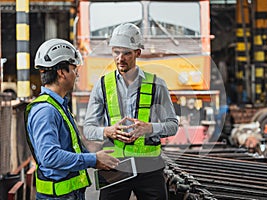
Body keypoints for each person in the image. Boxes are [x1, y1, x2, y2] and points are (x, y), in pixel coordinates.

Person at [83, 23, 179, 200]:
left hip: (150, 168)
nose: (120, 58)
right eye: (116, 52)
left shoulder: (157, 85)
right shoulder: (102, 85)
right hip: (114, 165)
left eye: (126, 53)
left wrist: (150, 128)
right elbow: (88, 128)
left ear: (138, 53)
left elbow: (173, 125)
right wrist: (106, 131)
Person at [24, 38, 119, 200]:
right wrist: (93, 159)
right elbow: (50, 157)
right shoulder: (46, 111)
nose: (77, 74)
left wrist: (98, 160)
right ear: (61, 72)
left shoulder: (58, 106)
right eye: (74, 69)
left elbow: (69, 148)